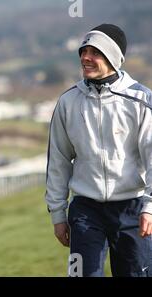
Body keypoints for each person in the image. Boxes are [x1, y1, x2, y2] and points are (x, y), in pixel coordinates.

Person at [45, 24, 152, 277]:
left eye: (95, 52)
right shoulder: (67, 102)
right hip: (85, 211)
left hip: (133, 209)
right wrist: (58, 215)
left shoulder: (142, 100)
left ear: (113, 57)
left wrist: (150, 207)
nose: (85, 57)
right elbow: (58, 161)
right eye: (84, 51)